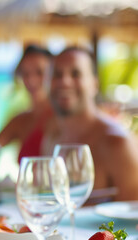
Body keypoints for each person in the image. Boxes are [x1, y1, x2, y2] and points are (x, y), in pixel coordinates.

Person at [42, 46, 138, 201]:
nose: (65, 82)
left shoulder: (117, 143)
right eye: (57, 74)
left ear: (94, 84)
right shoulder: (52, 135)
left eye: (76, 74)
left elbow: (133, 218)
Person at [0, 45, 53, 163]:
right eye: (25, 73)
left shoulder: (65, 119)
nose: (31, 80)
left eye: (39, 72)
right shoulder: (21, 120)